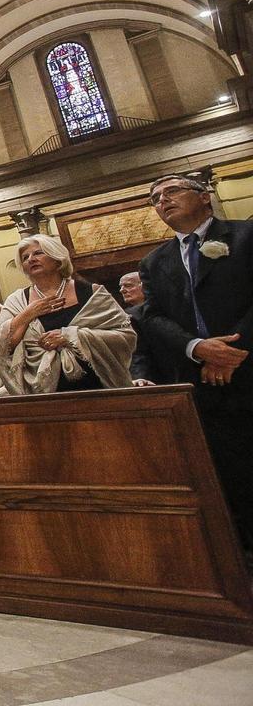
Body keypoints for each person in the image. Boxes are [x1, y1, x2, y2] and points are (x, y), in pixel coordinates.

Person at [138, 174, 253, 552]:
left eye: (171, 191)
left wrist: (234, 349)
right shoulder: (155, 262)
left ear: (204, 198)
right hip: (203, 382)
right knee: (231, 475)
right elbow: (151, 318)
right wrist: (196, 347)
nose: (162, 200)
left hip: (247, 364)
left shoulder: (245, 236)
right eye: (155, 198)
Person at [0, 233, 134, 397]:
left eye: (38, 253)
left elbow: (125, 335)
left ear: (57, 258)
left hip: (97, 385)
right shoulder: (17, 301)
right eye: (25, 257)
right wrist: (28, 313)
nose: (31, 259)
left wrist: (71, 336)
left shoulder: (90, 292)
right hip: (43, 392)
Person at [121, 271, 159, 385]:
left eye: (128, 285)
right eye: (121, 286)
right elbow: (137, 351)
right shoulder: (128, 316)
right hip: (150, 377)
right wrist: (140, 377)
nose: (122, 290)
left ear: (144, 285)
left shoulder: (165, 307)